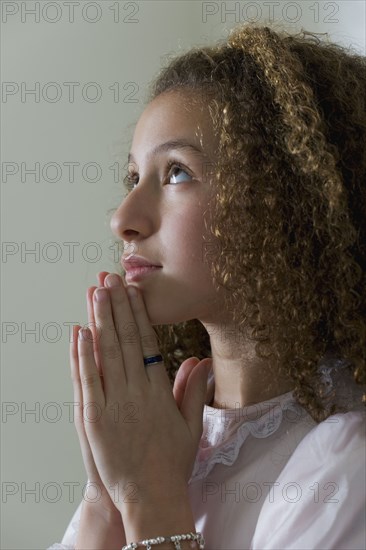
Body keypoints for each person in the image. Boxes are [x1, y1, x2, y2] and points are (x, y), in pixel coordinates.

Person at [47, 22, 366, 550]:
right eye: (134, 177)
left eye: (176, 173)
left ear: (284, 201)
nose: (123, 218)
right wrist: (107, 497)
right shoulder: (161, 436)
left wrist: (150, 500)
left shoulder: (345, 459)